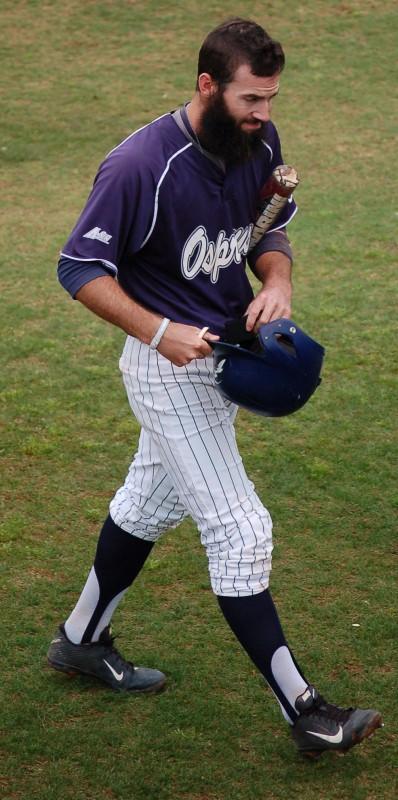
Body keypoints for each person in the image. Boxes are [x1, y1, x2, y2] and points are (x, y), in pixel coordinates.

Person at [48, 18, 382, 758]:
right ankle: (307, 711)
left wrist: (280, 282)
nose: (265, 113)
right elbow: (78, 269)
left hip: (226, 355)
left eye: (270, 98)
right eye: (251, 98)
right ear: (207, 86)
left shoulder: (258, 142)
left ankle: (80, 639)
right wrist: (157, 330)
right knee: (240, 530)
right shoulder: (140, 166)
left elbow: (268, 229)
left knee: (147, 502)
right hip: (166, 369)